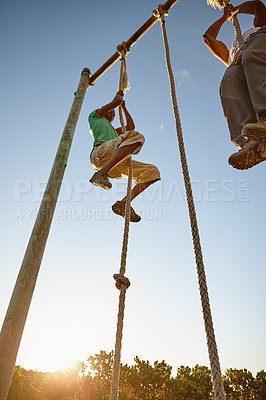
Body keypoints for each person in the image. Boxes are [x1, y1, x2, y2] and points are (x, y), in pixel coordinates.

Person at [203, 0, 266, 169]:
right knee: (228, 80)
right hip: (242, 60)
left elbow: (258, 6)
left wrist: (236, 10)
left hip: (261, 43)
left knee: (251, 55)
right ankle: (251, 143)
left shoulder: (256, 31)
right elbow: (208, 38)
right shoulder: (232, 55)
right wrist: (224, 18)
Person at [88, 90, 160, 222]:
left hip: (113, 163)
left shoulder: (115, 133)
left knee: (152, 172)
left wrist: (124, 108)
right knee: (136, 136)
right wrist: (118, 99)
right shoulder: (94, 117)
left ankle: (123, 204)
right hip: (100, 154)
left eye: (114, 113)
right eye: (110, 111)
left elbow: (131, 126)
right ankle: (101, 173)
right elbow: (115, 102)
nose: (113, 113)